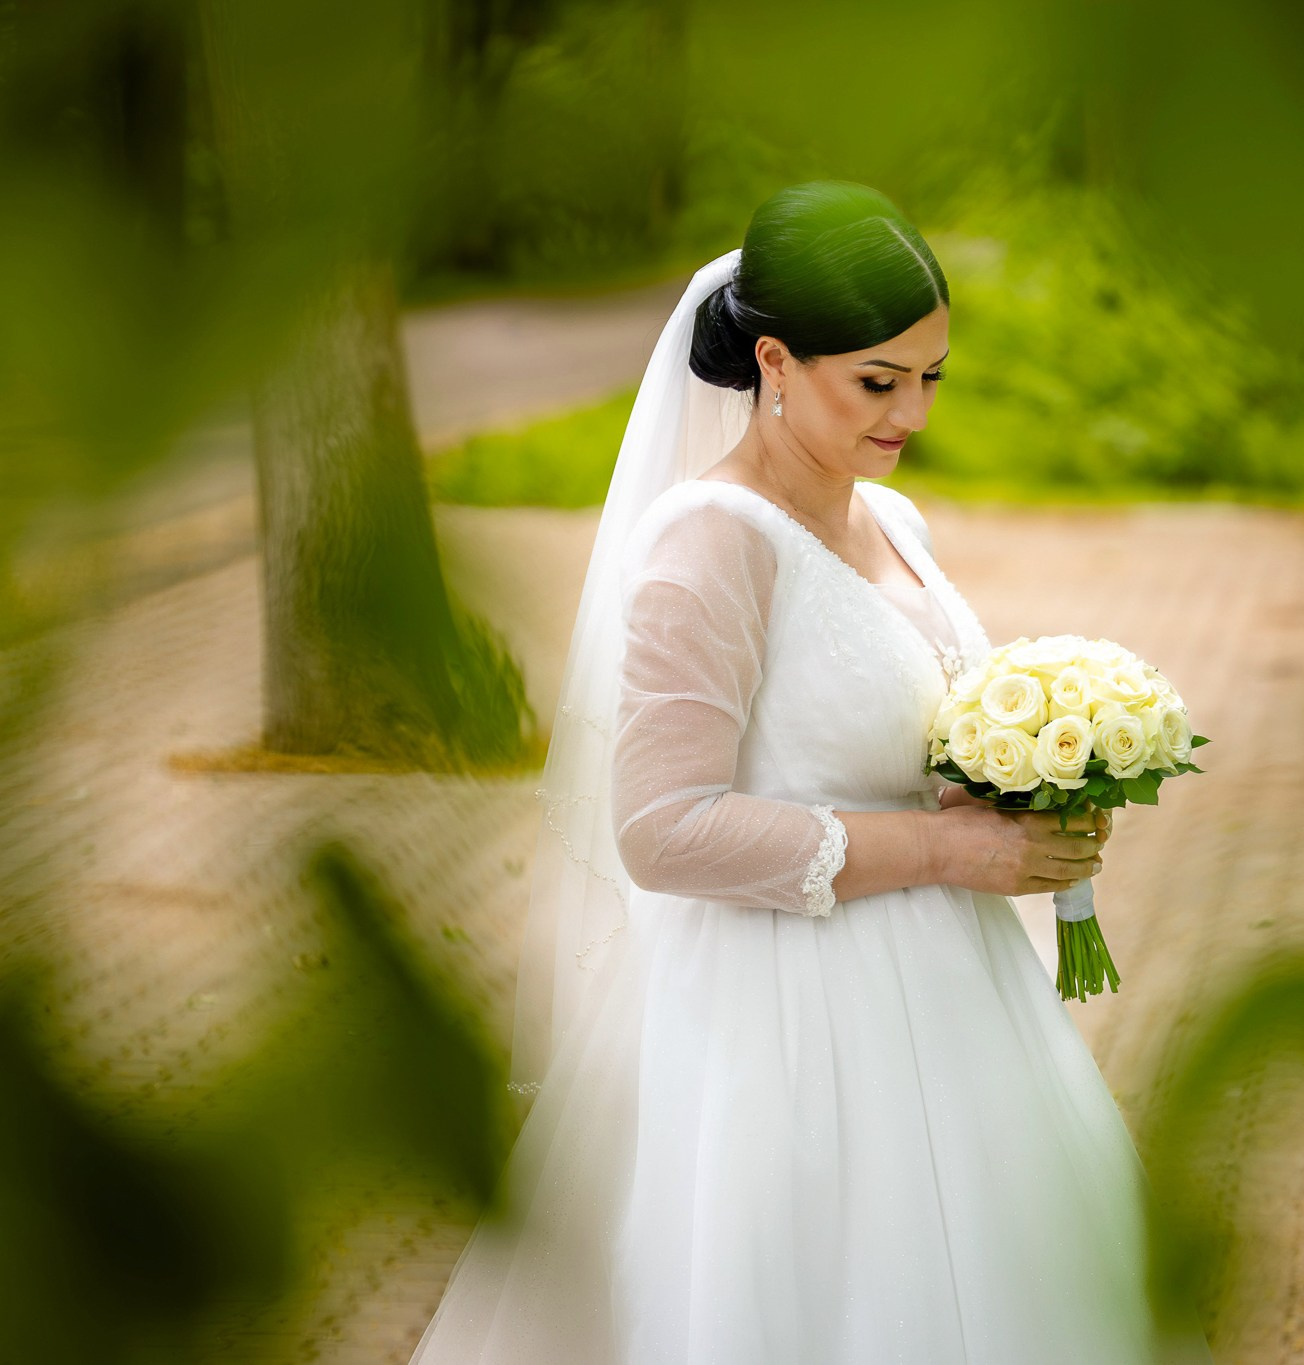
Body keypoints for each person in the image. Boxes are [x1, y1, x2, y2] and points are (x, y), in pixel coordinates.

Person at [406, 182, 1215, 1364]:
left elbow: (880, 741)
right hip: (779, 1025)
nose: (912, 414)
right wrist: (950, 848)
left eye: (930, 377)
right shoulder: (710, 541)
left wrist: (1021, 791)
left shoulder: (895, 523)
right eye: (877, 382)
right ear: (774, 361)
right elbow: (661, 828)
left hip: (951, 1000)